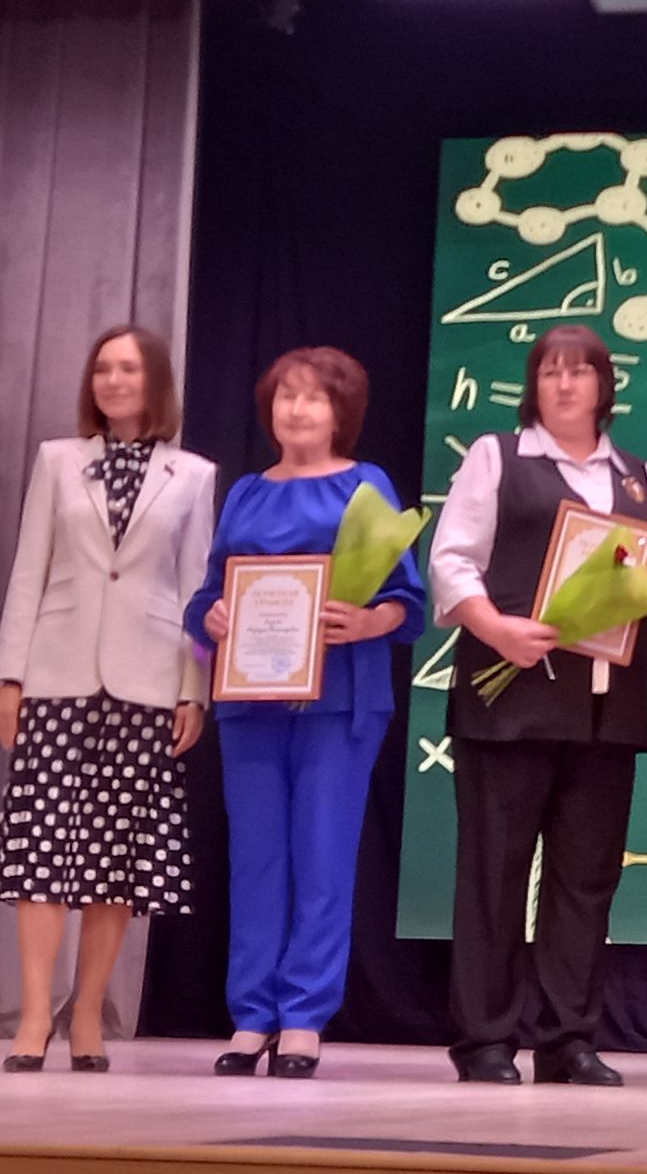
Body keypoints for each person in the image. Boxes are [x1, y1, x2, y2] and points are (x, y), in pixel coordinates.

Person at [430, 324, 647, 1087]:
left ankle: (567, 1038)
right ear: (533, 386)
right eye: (550, 372)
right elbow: (451, 561)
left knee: (585, 879)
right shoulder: (498, 457)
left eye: (580, 372)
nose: (565, 385)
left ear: (606, 386)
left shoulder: (637, 475)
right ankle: (484, 1039)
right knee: (495, 874)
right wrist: (496, 629)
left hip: (607, 710)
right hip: (508, 699)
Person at [185, 346, 424, 1079]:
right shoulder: (246, 492)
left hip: (340, 700)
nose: (297, 409)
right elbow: (207, 594)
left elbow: (407, 598)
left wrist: (371, 620)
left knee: (322, 856)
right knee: (256, 860)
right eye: (286, 395)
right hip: (249, 700)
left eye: (314, 397)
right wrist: (212, 617)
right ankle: (251, 1014)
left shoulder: (365, 484)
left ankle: (303, 1018)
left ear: (340, 412)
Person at [0, 325, 214, 1073]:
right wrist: (10, 676)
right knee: (43, 847)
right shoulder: (58, 460)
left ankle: (88, 1012)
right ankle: (35, 1014)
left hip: (147, 680)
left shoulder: (193, 474)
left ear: (155, 382)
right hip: (57, 673)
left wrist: (193, 690)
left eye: (127, 369)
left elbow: (195, 588)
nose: (113, 380)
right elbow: (29, 569)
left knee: (115, 855)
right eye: (102, 369)